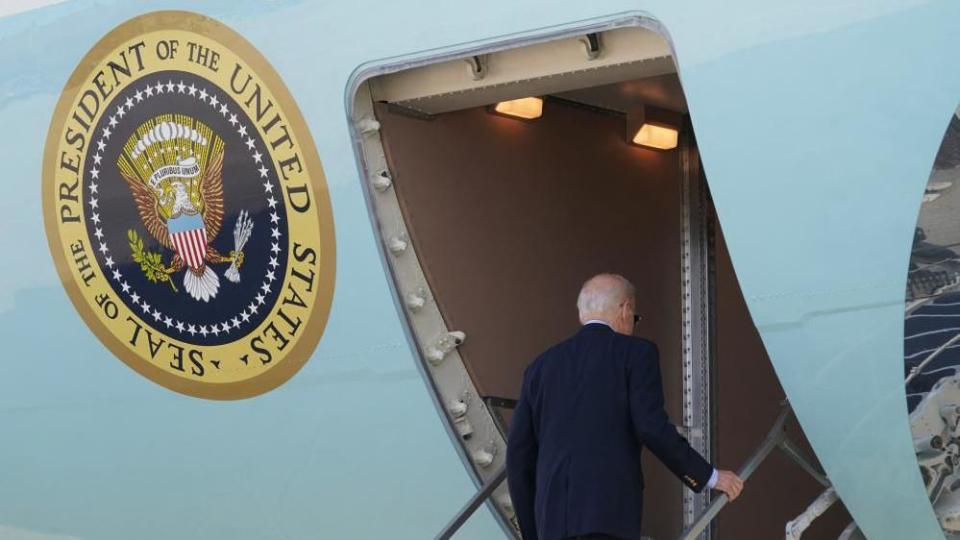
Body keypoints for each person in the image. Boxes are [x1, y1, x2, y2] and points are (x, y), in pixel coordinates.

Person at [506, 273, 744, 540]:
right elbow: (651, 427)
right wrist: (708, 476)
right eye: (635, 317)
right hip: (608, 518)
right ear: (625, 309)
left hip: (550, 525)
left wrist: (532, 532)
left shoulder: (540, 367)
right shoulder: (637, 353)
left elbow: (518, 458)